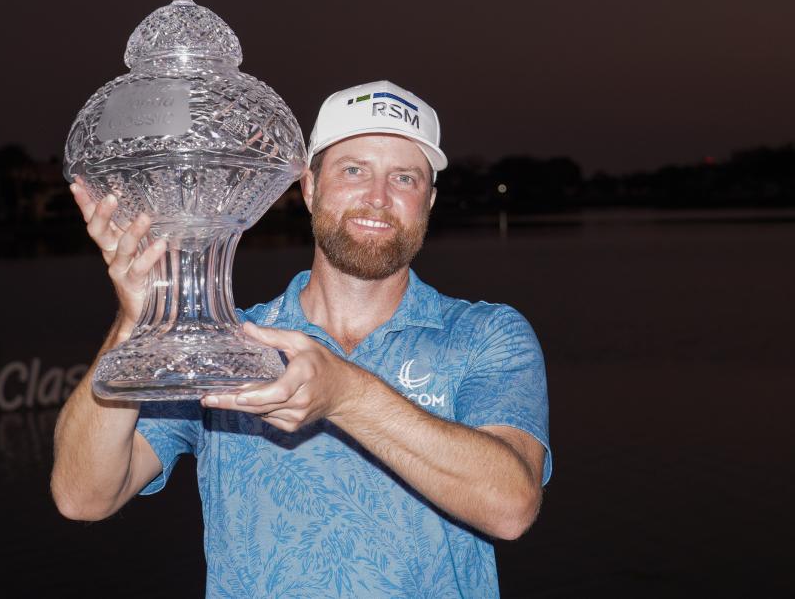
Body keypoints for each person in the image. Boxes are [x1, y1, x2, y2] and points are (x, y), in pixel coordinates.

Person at [52, 80, 551, 597]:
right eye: (353, 170)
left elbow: (511, 507)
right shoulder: (232, 347)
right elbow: (83, 496)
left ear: (429, 200)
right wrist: (139, 325)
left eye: (404, 177)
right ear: (310, 188)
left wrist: (346, 393)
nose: (378, 198)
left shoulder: (485, 334)